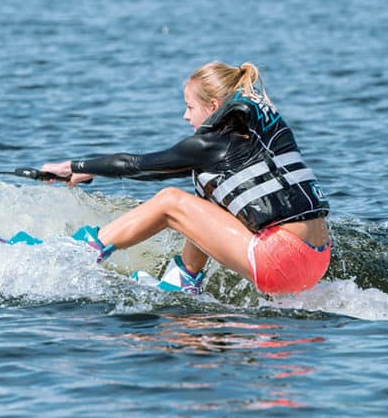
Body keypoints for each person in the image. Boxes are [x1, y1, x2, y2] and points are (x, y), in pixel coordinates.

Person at [41, 61, 330, 295]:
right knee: (205, 201)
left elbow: (134, 164)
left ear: (214, 106)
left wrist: (71, 165)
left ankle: (77, 252)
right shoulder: (252, 137)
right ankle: (182, 279)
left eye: (190, 107)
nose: (184, 116)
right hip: (316, 260)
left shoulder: (210, 145)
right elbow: (158, 169)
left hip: (280, 262)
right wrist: (86, 171)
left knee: (171, 201)